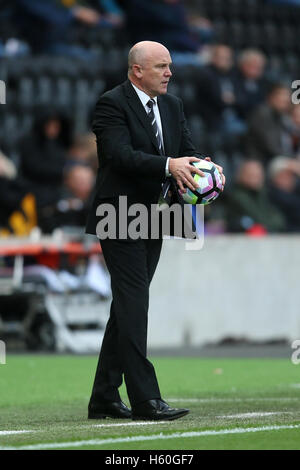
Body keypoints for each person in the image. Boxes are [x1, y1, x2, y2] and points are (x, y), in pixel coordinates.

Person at [86, 40, 225, 421]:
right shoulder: (111, 103)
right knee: (135, 304)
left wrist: (200, 170)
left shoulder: (173, 104)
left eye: (170, 66)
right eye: (161, 66)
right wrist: (170, 165)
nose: (169, 73)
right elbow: (118, 155)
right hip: (119, 215)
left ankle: (103, 398)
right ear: (137, 71)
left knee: (128, 306)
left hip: (157, 215)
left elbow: (186, 149)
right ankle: (147, 400)